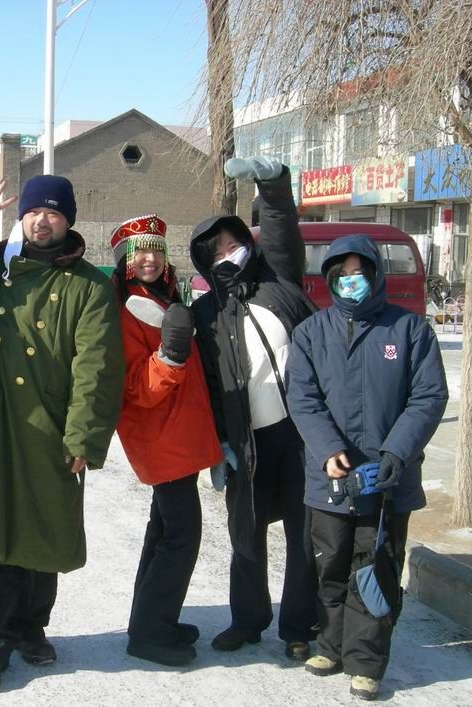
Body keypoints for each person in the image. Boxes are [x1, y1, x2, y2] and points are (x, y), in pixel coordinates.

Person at [0, 176, 125, 690]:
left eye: (54, 213)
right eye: (34, 211)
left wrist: (83, 436)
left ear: (69, 220)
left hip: (50, 429)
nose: (43, 220)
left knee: (45, 529)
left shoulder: (89, 284)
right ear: (21, 217)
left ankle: (31, 625)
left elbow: (98, 367)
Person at [287, 235, 448, 701]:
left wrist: (397, 452)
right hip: (330, 479)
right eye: (341, 274)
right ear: (331, 278)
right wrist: (324, 447)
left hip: (387, 480)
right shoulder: (312, 333)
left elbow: (428, 396)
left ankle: (366, 661)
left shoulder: (410, 329)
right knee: (331, 565)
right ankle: (331, 644)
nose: (350, 281)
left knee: (374, 568)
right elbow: (303, 397)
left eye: (360, 273)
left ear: (376, 275)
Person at [189, 156, 319, 660]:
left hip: (301, 434)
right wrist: (218, 442)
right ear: (205, 260)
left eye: (232, 241)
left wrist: (272, 183)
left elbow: (282, 230)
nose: (227, 252)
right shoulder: (207, 312)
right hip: (246, 441)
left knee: (303, 535)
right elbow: (204, 382)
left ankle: (299, 627)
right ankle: (248, 620)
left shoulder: (280, 281)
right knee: (246, 536)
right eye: (215, 249)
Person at [110, 214, 223, 667]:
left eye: (155, 249)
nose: (149, 258)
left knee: (162, 532)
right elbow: (136, 386)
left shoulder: (166, 296)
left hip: (181, 434)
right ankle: (149, 635)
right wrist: (171, 353)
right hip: (160, 437)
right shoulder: (126, 309)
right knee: (181, 537)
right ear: (124, 261)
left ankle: (153, 619)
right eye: (139, 252)